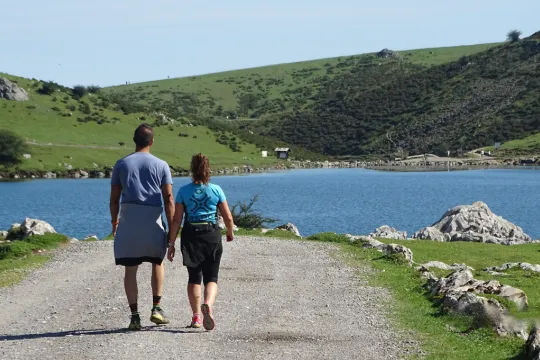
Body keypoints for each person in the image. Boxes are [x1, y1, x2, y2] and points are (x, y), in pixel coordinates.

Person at [110, 123, 175, 331]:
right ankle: (156, 308)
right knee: (157, 262)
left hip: (129, 219)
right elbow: (169, 199)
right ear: (152, 141)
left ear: (134, 140)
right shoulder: (162, 165)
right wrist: (172, 230)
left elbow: (114, 198)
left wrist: (114, 221)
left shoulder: (121, 164)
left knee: (131, 268)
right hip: (153, 219)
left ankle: (134, 315)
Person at [167, 153, 234, 330]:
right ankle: (208, 305)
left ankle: (197, 317)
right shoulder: (216, 190)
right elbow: (227, 216)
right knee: (212, 277)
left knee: (194, 277)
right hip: (211, 233)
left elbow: (176, 220)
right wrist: (229, 232)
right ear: (207, 170)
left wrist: (171, 243)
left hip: (191, 235)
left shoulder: (183, 191)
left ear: (192, 170)